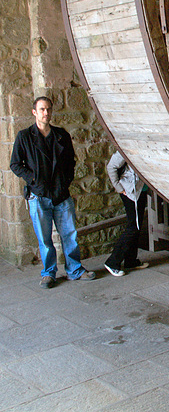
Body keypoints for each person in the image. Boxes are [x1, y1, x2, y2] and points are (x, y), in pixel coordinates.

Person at [10, 96, 96, 288]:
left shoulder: (61, 135)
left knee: (70, 235)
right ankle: (49, 273)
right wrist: (34, 180)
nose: (46, 113)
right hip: (38, 195)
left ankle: (75, 270)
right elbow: (15, 164)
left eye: (48, 109)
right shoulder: (24, 137)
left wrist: (65, 182)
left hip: (61, 194)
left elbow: (70, 162)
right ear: (34, 112)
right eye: (42, 109)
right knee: (45, 238)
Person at [104, 151, 149, 276]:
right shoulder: (125, 147)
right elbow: (111, 166)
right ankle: (112, 262)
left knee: (137, 226)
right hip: (129, 191)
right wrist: (119, 188)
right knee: (133, 228)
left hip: (139, 190)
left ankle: (131, 261)